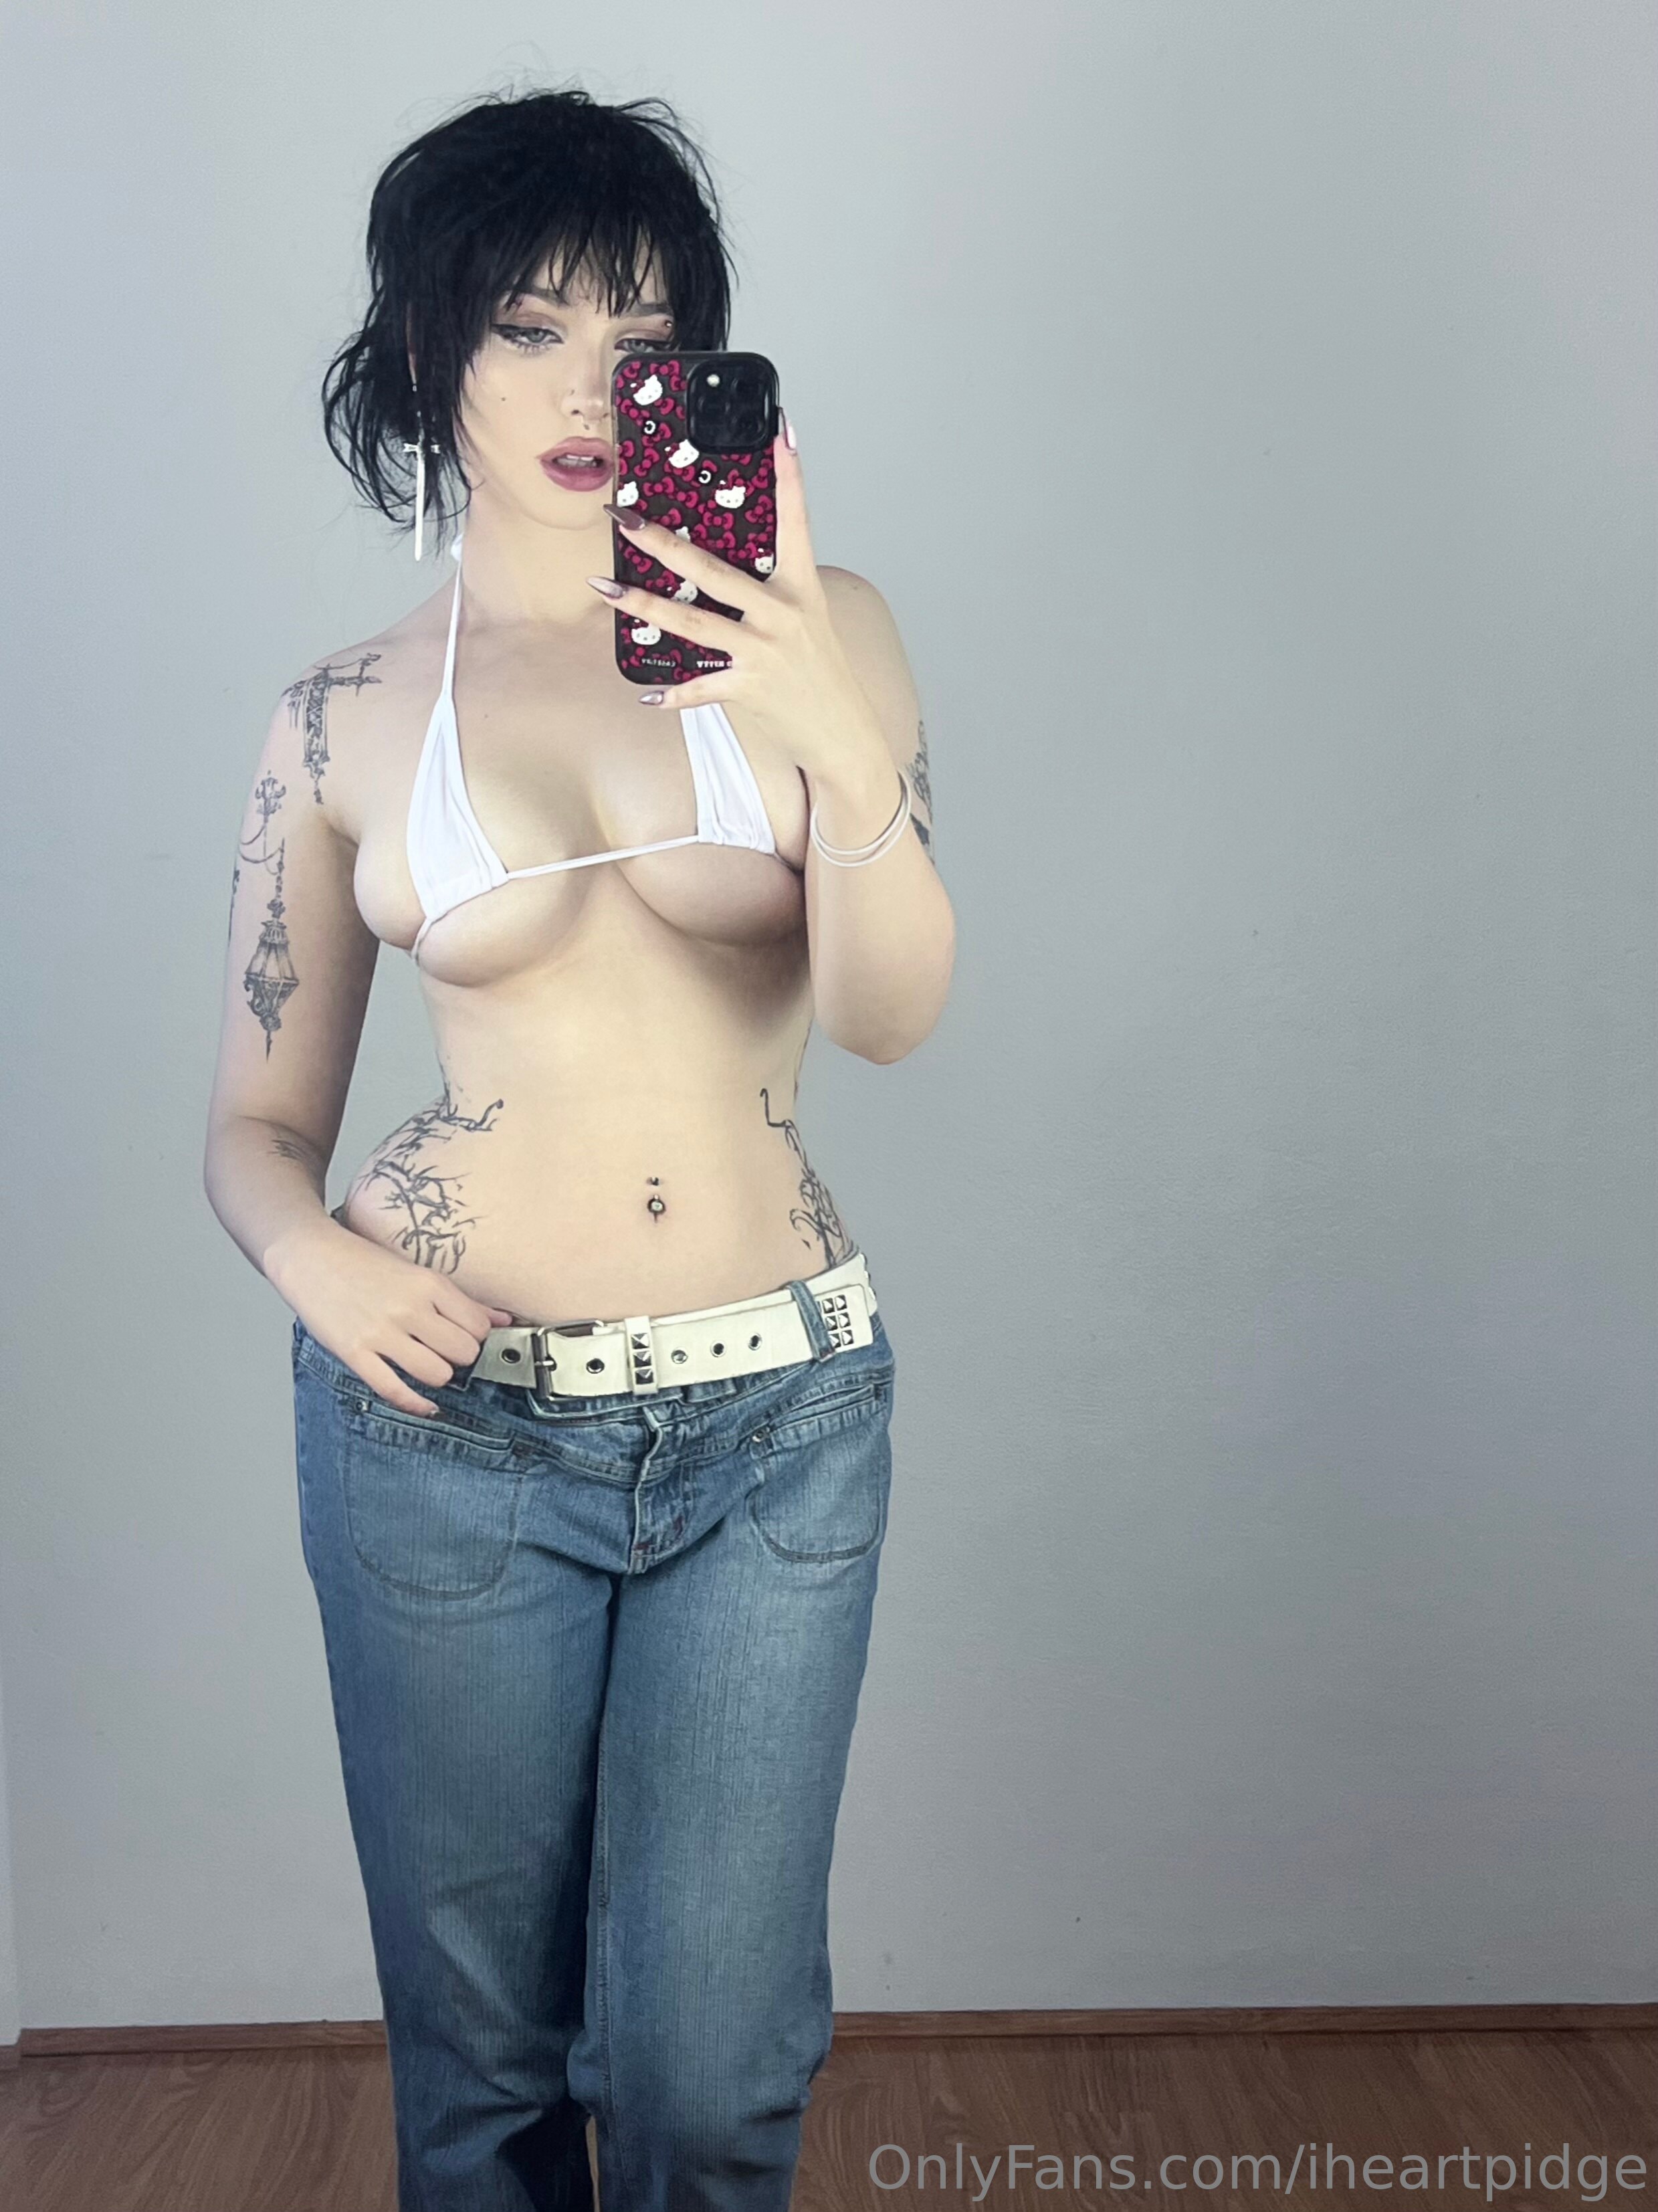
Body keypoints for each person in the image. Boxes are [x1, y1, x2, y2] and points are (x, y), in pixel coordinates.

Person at [201, 82, 956, 2212]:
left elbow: (892, 1013)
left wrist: (828, 732)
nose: (586, 388)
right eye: (526, 327)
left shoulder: (828, 632)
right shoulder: (343, 713)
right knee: (483, 2091)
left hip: (776, 1418)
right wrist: (322, 1265)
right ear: (424, 348)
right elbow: (255, 1121)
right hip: (445, 1432)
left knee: (712, 2082)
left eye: (638, 334)